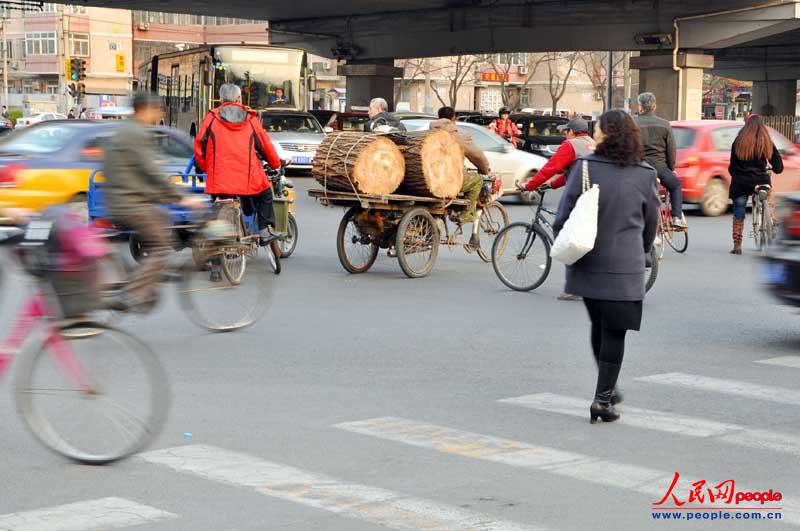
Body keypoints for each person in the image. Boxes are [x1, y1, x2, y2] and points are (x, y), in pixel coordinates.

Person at [553, 109, 659, 424]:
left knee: (598, 325)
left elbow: (563, 215)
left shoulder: (585, 167)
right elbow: (651, 224)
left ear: (608, 134)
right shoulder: (645, 173)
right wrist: (639, 253)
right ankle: (602, 399)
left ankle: (607, 388)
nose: (594, 133)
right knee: (614, 333)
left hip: (587, 263)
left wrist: (567, 243)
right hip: (625, 267)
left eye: (598, 129)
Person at [103, 93, 199, 311]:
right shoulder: (136, 134)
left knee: (163, 219)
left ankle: (149, 273)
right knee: (163, 246)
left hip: (123, 198)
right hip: (128, 204)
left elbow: (142, 171)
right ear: (144, 109)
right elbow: (152, 172)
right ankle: (134, 292)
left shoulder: (127, 130)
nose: (159, 115)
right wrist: (182, 197)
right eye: (157, 110)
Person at [195, 83, 282, 247]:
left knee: (216, 210)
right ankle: (264, 231)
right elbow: (265, 145)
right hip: (247, 178)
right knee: (265, 194)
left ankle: (214, 259)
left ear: (221, 100)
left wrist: (206, 168)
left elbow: (199, 146)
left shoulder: (211, 119)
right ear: (238, 98)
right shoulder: (250, 119)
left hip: (219, 179)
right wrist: (275, 163)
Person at [523, 116, 596, 301]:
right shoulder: (592, 144)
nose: (565, 135)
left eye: (566, 131)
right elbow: (573, 172)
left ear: (572, 131)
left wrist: (529, 185)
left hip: (579, 197)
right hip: (595, 195)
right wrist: (552, 185)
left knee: (566, 235)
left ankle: (574, 287)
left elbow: (551, 167)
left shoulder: (570, 146)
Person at [430, 106, 491, 250]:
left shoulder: (429, 131)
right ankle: (466, 214)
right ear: (453, 118)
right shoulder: (458, 133)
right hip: (450, 180)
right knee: (477, 180)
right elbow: (476, 155)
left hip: (430, 178)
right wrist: (485, 169)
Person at [728, 114, 784, 255]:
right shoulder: (766, 141)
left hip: (741, 182)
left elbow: (732, 167)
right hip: (760, 180)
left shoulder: (738, 141)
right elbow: (778, 166)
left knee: (739, 211)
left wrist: (736, 173)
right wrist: (774, 168)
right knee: (768, 197)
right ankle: (770, 220)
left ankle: (737, 245)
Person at [635, 92, 687, 229]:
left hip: (639, 167)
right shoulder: (664, 124)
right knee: (675, 186)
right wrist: (671, 168)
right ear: (654, 106)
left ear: (640, 107)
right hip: (660, 167)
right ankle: (676, 217)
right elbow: (671, 150)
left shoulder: (632, 123)